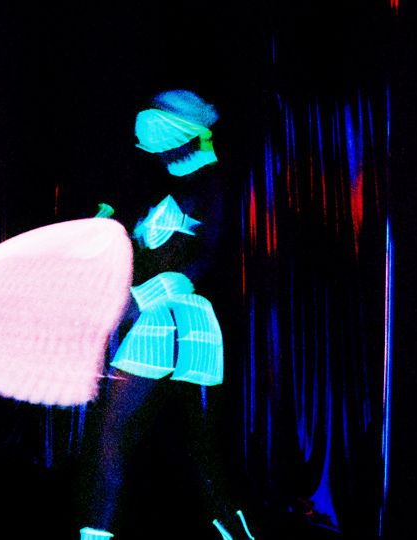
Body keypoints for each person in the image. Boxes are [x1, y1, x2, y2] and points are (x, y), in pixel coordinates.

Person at [77, 90, 255, 540]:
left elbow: (202, 261)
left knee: (110, 438)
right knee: (199, 450)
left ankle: (95, 534)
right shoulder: (166, 189)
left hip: (169, 322)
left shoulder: (210, 185)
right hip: (185, 328)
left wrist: (136, 302)